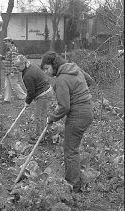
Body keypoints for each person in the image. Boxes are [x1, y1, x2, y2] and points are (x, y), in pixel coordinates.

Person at [40, 51, 95, 193]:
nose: (46, 72)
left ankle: (72, 185)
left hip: (77, 115)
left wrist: (51, 117)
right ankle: (75, 180)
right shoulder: (74, 68)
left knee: (70, 150)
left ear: (54, 65)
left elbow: (64, 107)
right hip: (87, 110)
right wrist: (79, 93)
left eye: (47, 68)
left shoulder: (61, 80)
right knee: (73, 148)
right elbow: (90, 81)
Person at [13, 54, 54, 143]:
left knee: (39, 117)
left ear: (23, 64)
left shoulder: (27, 75)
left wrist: (27, 102)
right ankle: (40, 134)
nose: (16, 68)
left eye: (17, 66)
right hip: (47, 90)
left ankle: (40, 138)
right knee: (41, 116)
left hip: (44, 94)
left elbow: (31, 92)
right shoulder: (30, 64)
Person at [0, 37, 26, 104]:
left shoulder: (13, 49)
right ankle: (7, 100)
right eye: (5, 42)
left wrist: (13, 71)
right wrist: (2, 57)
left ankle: (24, 96)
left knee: (14, 84)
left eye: (7, 42)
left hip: (12, 71)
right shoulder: (9, 50)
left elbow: (14, 61)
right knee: (7, 85)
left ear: (10, 42)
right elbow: (8, 59)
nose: (6, 44)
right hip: (8, 71)